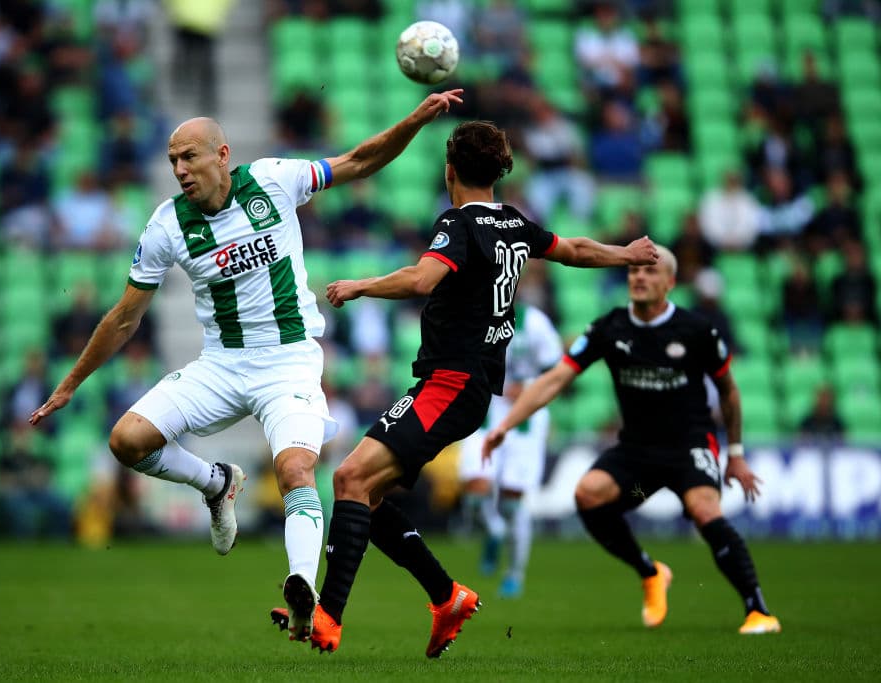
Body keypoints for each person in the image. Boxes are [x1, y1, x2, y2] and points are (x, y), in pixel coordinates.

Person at [29, 89, 466, 639]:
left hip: (289, 362)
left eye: (190, 156)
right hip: (221, 365)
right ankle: (216, 483)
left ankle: (303, 590)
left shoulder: (274, 180)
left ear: (223, 155)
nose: (180, 170)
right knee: (126, 440)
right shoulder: (167, 226)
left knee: (296, 471)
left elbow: (358, 161)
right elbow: (124, 317)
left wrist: (416, 119)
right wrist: (70, 384)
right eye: (172, 161)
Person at [277, 120, 658, 656]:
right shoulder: (515, 224)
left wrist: (360, 285)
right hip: (466, 385)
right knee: (365, 491)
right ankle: (445, 595)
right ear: (499, 172)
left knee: (350, 476)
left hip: (451, 382)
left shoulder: (458, 224)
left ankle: (329, 616)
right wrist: (626, 253)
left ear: (449, 170)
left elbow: (421, 280)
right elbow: (572, 248)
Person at [483, 245, 782, 635]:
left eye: (649, 271)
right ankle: (650, 571)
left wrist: (736, 454)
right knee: (588, 495)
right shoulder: (610, 328)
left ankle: (757, 610)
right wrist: (505, 425)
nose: (639, 277)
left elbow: (729, 392)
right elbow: (556, 378)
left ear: (670, 283)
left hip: (688, 451)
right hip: (640, 466)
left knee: (704, 510)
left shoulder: (696, 331)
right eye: (633, 271)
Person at [457, 300, 563, 599]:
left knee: (512, 502)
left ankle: (514, 573)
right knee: (474, 492)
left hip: (525, 417)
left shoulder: (535, 322)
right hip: (485, 411)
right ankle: (494, 531)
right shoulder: (473, 314)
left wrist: (528, 384)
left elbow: (557, 368)